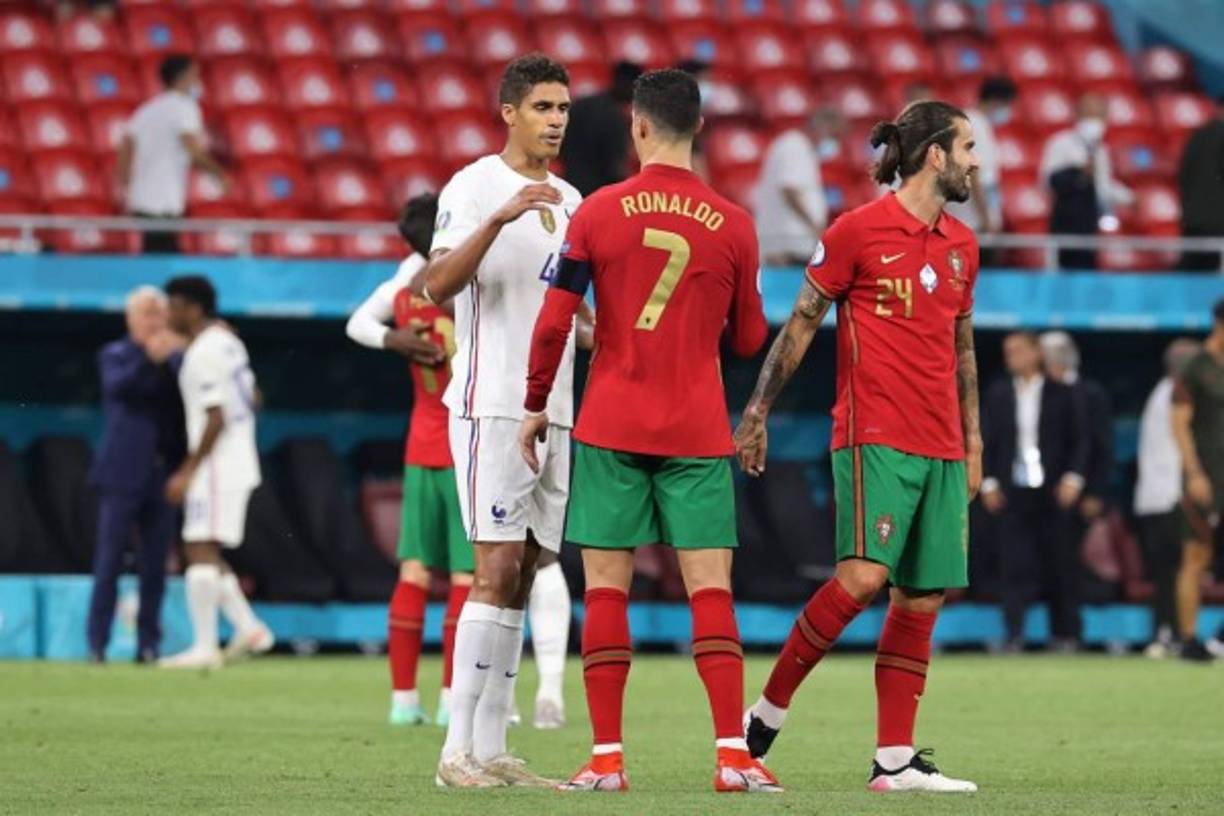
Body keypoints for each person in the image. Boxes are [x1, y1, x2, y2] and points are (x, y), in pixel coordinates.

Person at [520, 68, 777, 794]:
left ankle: (606, 762)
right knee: (710, 593)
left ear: (636, 126)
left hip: (611, 424)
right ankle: (732, 756)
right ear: (698, 130)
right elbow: (752, 338)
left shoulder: (597, 212)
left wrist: (539, 400)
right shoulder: (735, 223)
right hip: (696, 428)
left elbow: (554, 322)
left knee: (605, 592)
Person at [736, 100, 982, 793]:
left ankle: (895, 762)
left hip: (942, 444)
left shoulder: (963, 245)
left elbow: (963, 347)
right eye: (967, 147)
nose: (977, 161)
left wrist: (975, 440)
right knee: (863, 579)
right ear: (935, 154)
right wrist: (757, 410)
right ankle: (762, 720)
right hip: (874, 433)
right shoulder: (856, 232)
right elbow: (802, 324)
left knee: (922, 597)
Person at [423, 55, 584, 788]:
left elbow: (573, 317)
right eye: (544, 107)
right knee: (492, 569)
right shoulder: (473, 186)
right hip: (492, 403)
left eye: (564, 109)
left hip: (556, 412)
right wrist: (498, 219)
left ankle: (492, 749)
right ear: (510, 112)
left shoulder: (575, 201)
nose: (556, 120)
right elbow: (437, 286)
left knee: (522, 574)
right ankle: (454, 751)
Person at [346, 194, 473, 727]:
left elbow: (356, 324)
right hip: (467, 441)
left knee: (416, 570)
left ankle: (402, 700)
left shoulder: (406, 284)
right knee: (469, 578)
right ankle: (451, 698)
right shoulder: (465, 282)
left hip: (420, 440)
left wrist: (392, 338)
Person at [158, 276, 273, 670]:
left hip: (217, 464)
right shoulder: (229, 342)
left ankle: (205, 647)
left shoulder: (205, 352)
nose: (166, 312)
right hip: (238, 458)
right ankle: (250, 628)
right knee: (206, 548)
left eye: (171, 304)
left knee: (199, 548)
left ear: (192, 308)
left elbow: (216, 415)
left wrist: (186, 471)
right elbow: (254, 398)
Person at [86, 286, 186, 664]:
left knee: (156, 564)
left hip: (163, 472)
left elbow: (186, 391)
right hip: (121, 473)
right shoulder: (115, 354)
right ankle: (97, 644)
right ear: (130, 319)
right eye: (146, 313)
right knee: (108, 560)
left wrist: (170, 357)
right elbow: (119, 387)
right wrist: (148, 358)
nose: (153, 321)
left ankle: (149, 644)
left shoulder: (175, 360)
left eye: (158, 313)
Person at [981, 333, 1089, 650]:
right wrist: (988, 482)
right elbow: (985, 439)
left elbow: (1080, 439)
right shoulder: (998, 394)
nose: (1010, 357)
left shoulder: (1062, 392)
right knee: (1013, 565)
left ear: (1034, 353)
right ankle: (1014, 634)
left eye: (1016, 351)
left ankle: (1066, 634)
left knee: (1060, 563)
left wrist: (1074, 478)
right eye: (1006, 352)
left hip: (1054, 489)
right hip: (1012, 490)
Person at [116, 54, 226, 255]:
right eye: (195, 75)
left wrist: (126, 186)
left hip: (142, 199)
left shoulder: (147, 109)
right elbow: (193, 149)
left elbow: (125, 146)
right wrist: (219, 174)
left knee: (154, 254)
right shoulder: (185, 108)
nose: (198, 82)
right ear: (183, 77)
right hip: (163, 202)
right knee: (162, 261)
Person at [1135, 339, 1201, 657]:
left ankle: (1166, 633)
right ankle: (1171, 633)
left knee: (1168, 571)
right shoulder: (1176, 396)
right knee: (1175, 570)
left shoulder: (1161, 392)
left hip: (1155, 498)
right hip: (1171, 497)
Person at [1170, 298, 1224, 662]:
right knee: (1195, 555)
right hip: (1206, 476)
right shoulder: (1194, 365)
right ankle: (1188, 638)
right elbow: (1179, 422)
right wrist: (1193, 473)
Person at [1039, 93, 1134, 270]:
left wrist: (1129, 198)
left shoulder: (1101, 150)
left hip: (1089, 225)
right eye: (1089, 114)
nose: (1094, 120)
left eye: (1099, 115)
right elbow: (1047, 182)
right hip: (1065, 224)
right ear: (1077, 115)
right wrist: (1078, 173)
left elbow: (1103, 185)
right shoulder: (1061, 143)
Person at [755, 107, 842, 266]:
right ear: (822, 128)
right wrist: (815, 225)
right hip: (788, 245)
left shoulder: (805, 149)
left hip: (797, 244)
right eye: (833, 135)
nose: (834, 142)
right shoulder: (794, 146)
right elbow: (790, 190)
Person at [559, 61, 642, 197]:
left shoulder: (580, 105)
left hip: (570, 184)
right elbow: (615, 169)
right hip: (598, 192)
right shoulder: (615, 119)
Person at [946, 77, 1015, 239]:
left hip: (974, 219)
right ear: (995, 101)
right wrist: (986, 218)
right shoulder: (973, 124)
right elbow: (973, 173)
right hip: (970, 220)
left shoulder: (981, 124)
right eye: (1007, 105)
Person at [1178, 96, 1224, 271]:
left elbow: (1183, 175)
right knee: (1214, 277)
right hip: (1219, 223)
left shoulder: (1196, 136)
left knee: (1194, 272)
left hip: (1192, 221)